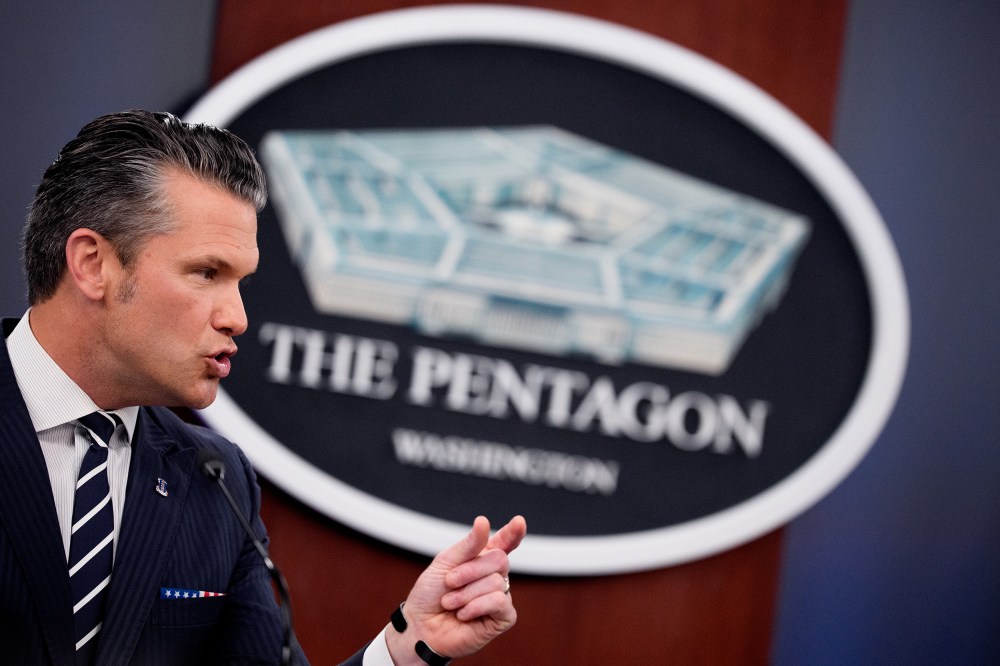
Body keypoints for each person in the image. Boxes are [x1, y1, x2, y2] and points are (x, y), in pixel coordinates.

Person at [0, 109, 527, 665]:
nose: (237, 317)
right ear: (92, 264)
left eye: (241, 282)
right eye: (207, 273)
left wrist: (407, 645)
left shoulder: (215, 482)